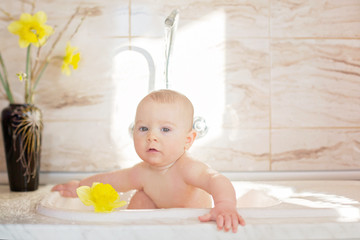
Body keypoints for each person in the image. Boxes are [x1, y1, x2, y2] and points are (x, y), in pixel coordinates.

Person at [52, 89, 245, 233]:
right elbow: (110, 180)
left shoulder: (188, 168)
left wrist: (225, 204)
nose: (151, 136)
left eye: (165, 130)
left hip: (193, 229)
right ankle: (130, 234)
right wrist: (79, 187)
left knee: (145, 196)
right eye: (143, 128)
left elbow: (215, 179)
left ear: (188, 140)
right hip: (157, 229)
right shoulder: (141, 173)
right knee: (142, 198)